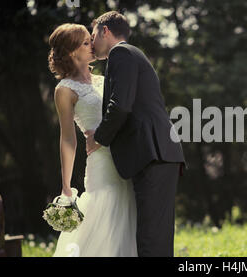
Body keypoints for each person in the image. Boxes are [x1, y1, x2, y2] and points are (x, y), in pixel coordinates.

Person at [86, 11, 185, 257]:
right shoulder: (131, 55)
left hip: (154, 153)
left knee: (151, 239)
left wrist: (98, 137)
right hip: (157, 153)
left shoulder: (121, 53)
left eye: (93, 36)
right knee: (155, 236)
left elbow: (120, 105)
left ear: (104, 31)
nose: (91, 43)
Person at [48, 23, 137, 256]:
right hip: (100, 163)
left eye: (91, 40)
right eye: (86, 42)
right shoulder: (64, 90)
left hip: (124, 157)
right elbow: (68, 139)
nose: (93, 45)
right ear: (70, 51)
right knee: (103, 217)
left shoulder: (105, 79)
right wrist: (66, 185)